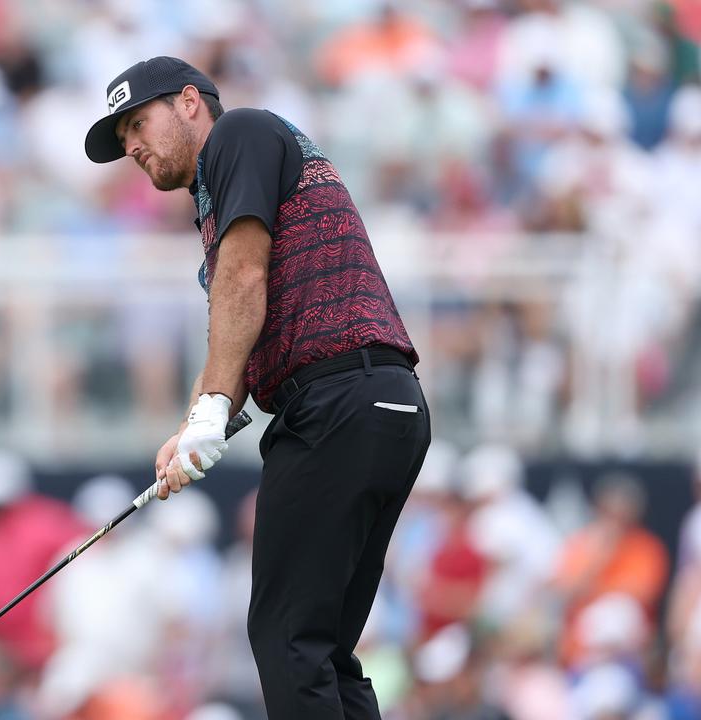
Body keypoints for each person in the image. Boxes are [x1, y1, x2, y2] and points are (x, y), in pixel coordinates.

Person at [84, 56, 431, 718]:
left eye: (138, 122)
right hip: (379, 405)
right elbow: (246, 324)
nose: (130, 145)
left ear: (190, 102)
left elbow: (244, 280)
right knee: (323, 649)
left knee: (287, 639)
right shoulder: (220, 198)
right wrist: (194, 425)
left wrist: (211, 410)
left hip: (337, 405)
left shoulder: (238, 133)